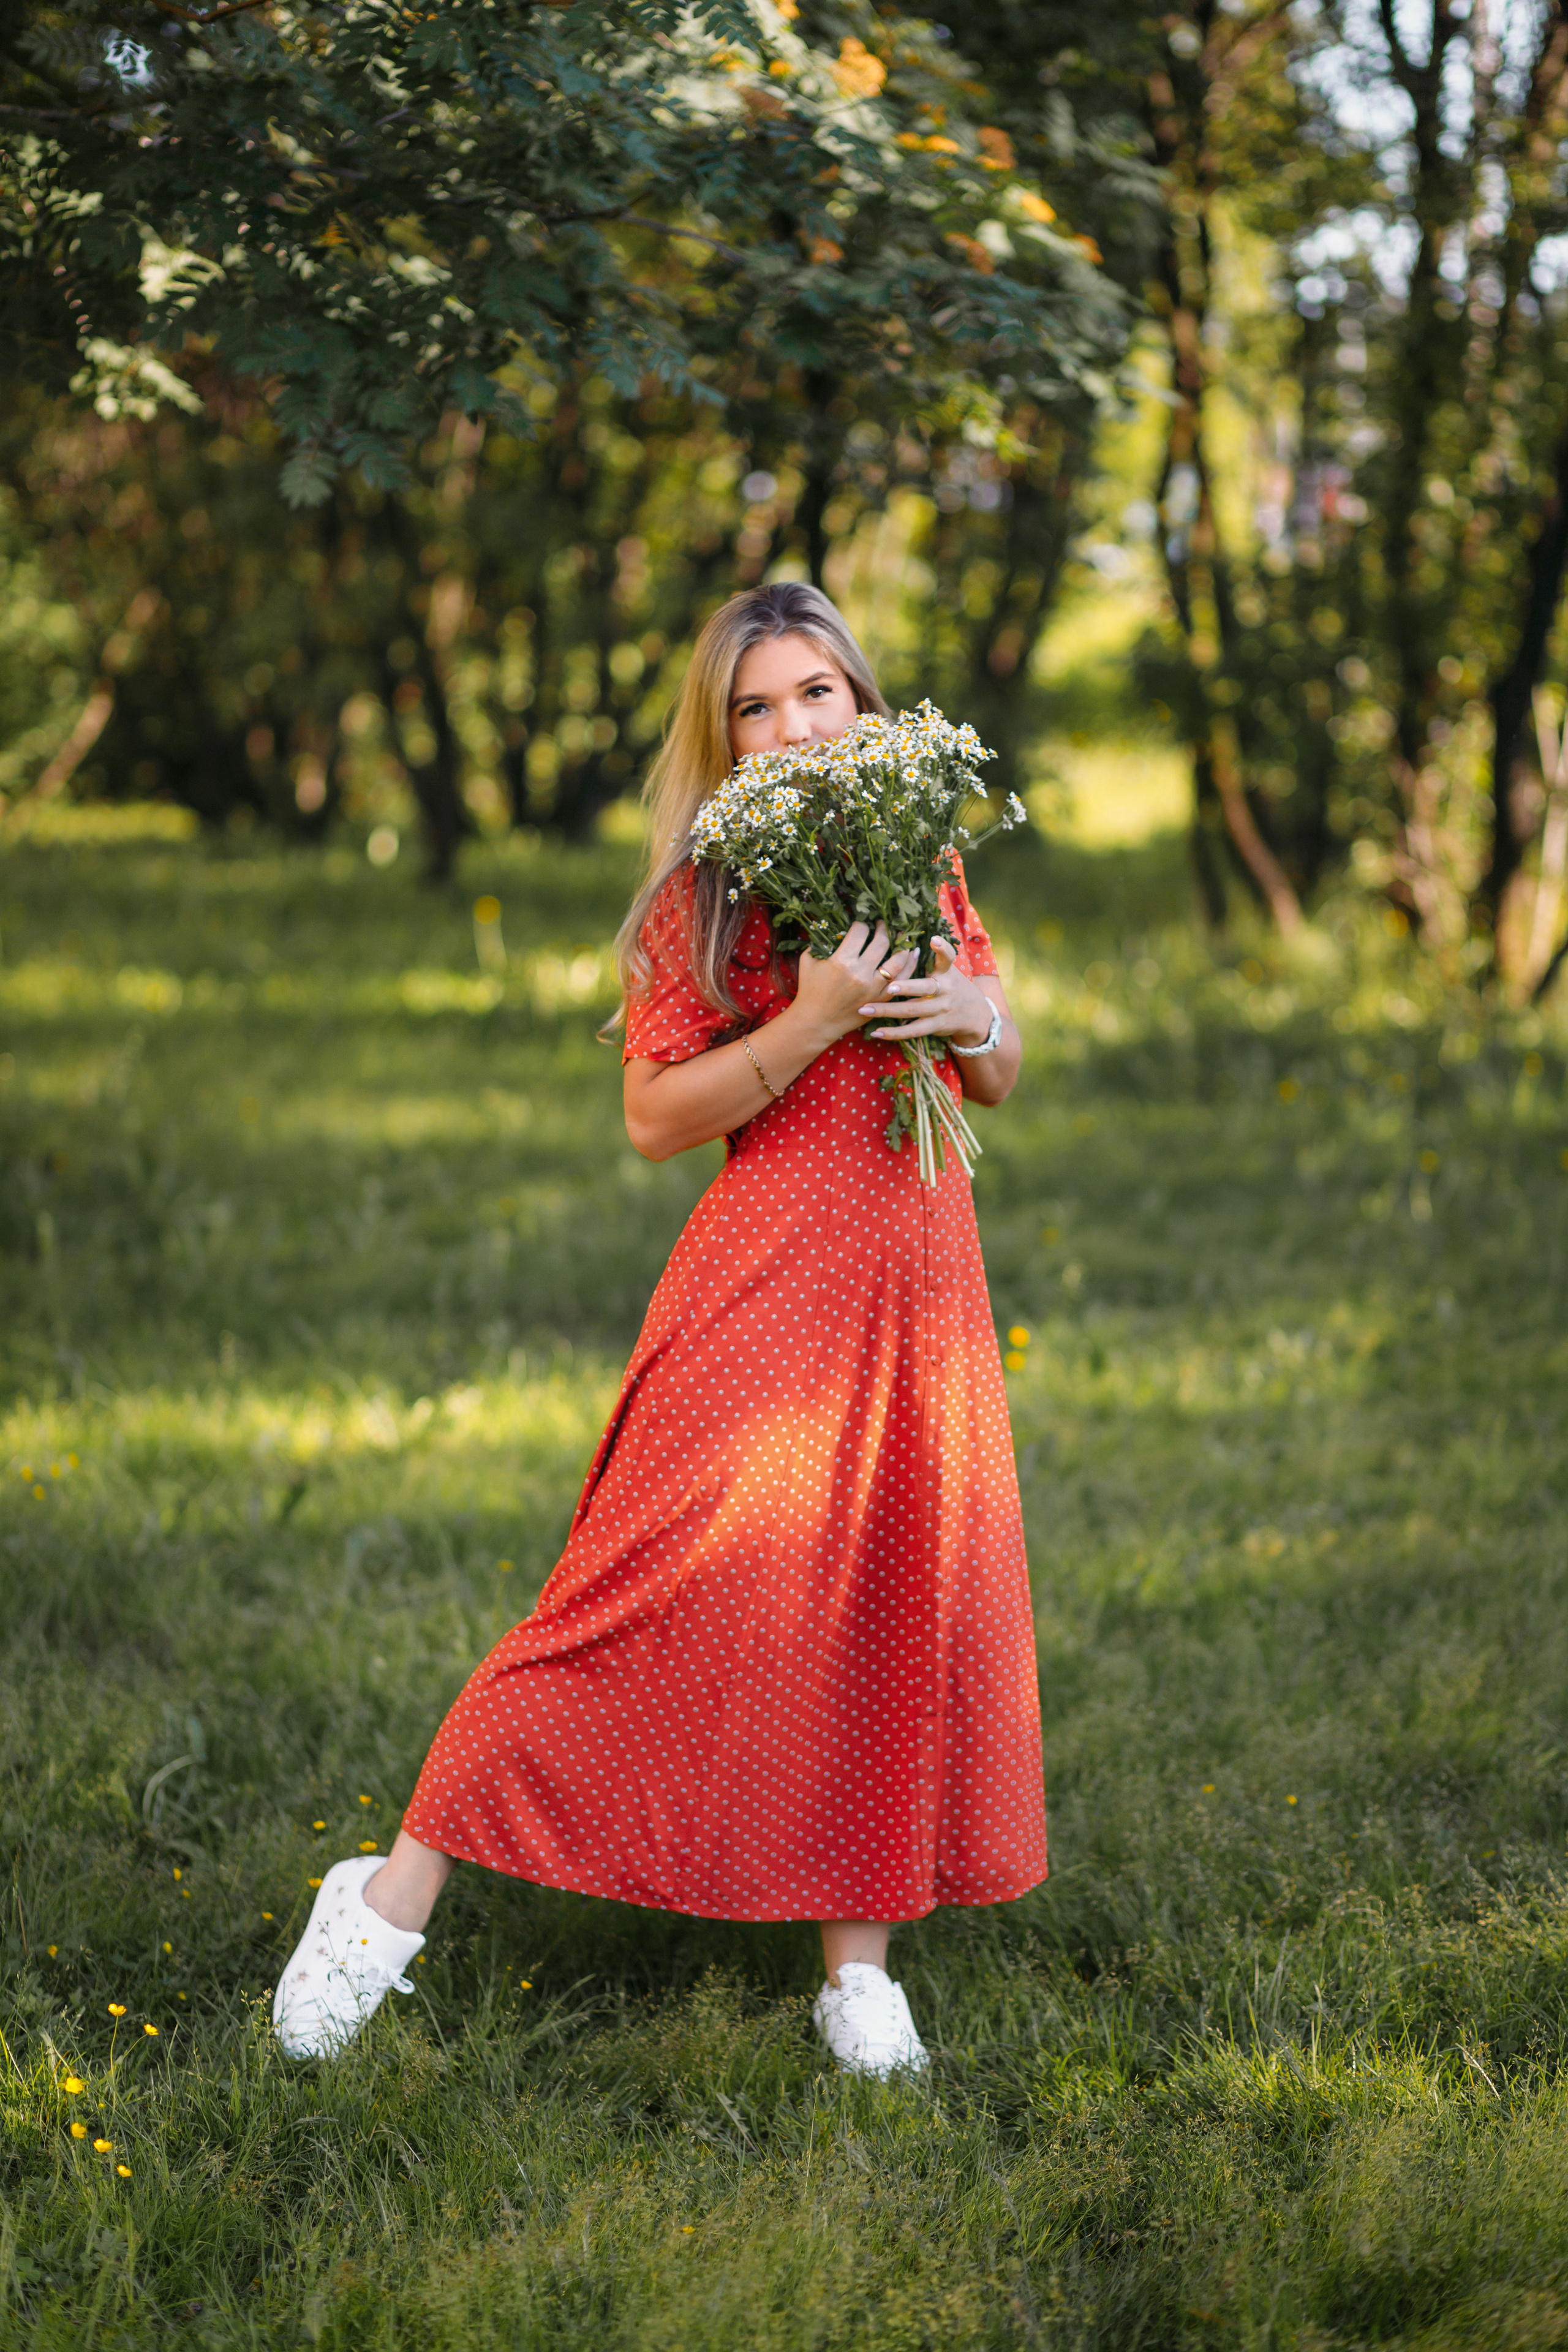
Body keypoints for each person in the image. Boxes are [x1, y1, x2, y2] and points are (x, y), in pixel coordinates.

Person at [274, 582, 1047, 2076]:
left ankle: (858, 1972)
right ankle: (378, 1905)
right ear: (720, 737)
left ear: (863, 706)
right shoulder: (704, 896)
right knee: (623, 1600)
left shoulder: (916, 849)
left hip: (917, 1299)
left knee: (886, 1599)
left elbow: (1002, 1067)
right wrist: (815, 1015)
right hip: (762, 1299)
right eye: (753, 707)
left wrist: (955, 1002)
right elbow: (652, 1119)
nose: (789, 725)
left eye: (815, 693)